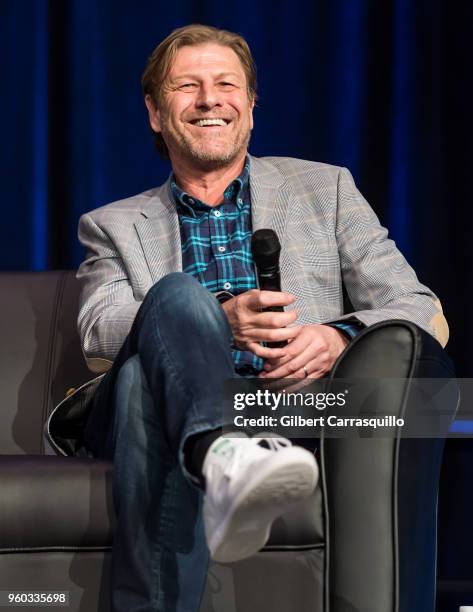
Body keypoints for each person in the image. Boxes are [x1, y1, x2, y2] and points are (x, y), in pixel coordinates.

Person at [70, 24, 449, 612]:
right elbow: (98, 329)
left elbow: (421, 309)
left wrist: (336, 337)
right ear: (154, 112)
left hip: (295, 407)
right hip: (169, 400)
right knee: (163, 320)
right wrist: (213, 320)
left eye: (226, 84)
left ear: (249, 106)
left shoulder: (327, 190)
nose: (209, 99)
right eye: (186, 86)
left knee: (139, 384)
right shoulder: (113, 225)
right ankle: (224, 454)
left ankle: (217, 465)